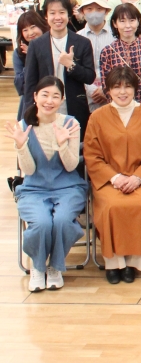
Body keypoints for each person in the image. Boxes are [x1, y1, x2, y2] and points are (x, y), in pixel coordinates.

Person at [84, 65, 141, 284]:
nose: (122, 92)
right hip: (109, 181)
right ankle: (113, 263)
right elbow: (92, 154)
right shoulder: (97, 117)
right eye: (117, 87)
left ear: (135, 89)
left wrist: (138, 177)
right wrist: (115, 178)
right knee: (112, 206)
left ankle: (133, 263)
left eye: (127, 87)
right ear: (108, 90)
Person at [7, 77, 85, 291]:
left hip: (68, 187)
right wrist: (21, 146)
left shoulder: (70, 124)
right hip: (34, 188)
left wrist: (62, 145)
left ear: (62, 99)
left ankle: (55, 267)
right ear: (35, 96)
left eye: (55, 96)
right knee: (41, 223)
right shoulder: (24, 126)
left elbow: (71, 166)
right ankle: (38, 267)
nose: (49, 101)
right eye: (45, 95)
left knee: (62, 221)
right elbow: (29, 171)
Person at [24, 0, 97, 135]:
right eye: (52, 13)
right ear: (46, 16)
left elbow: (90, 77)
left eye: (62, 12)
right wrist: (29, 111)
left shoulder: (82, 42)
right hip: (45, 105)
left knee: (75, 144)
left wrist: (71, 65)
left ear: (69, 15)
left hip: (74, 105)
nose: (57, 17)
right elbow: (30, 82)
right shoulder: (36, 45)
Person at [100, 2, 141, 109]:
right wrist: (122, 106)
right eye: (122, 21)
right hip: (119, 108)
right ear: (115, 23)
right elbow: (107, 86)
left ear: (138, 21)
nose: (127, 26)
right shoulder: (107, 52)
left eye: (132, 20)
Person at [14, 10, 49, 118]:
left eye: (33, 27)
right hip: (30, 98)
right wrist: (30, 57)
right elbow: (20, 84)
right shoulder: (19, 53)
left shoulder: (52, 45)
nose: (30, 33)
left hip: (51, 96)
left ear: (41, 25)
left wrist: (35, 54)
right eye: (25, 30)